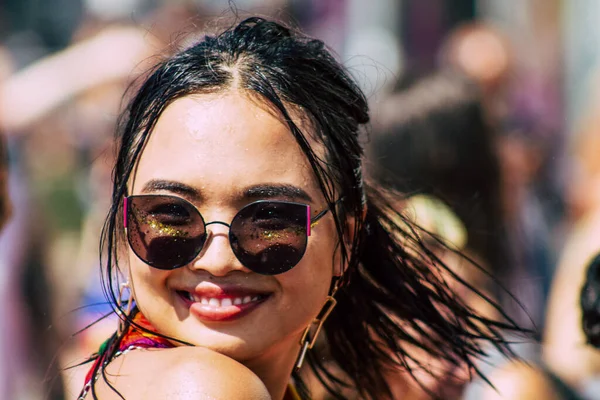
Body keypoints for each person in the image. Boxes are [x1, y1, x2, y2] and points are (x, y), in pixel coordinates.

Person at [73, 17, 523, 400]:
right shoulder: (203, 387)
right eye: (170, 216)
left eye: (269, 222)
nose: (216, 258)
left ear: (346, 239)